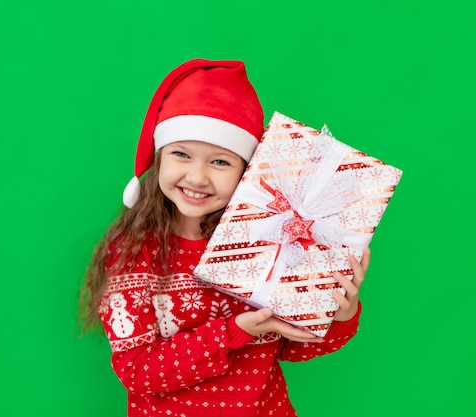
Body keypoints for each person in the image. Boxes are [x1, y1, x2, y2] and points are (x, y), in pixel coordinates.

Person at [80, 58, 370, 417]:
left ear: (246, 171)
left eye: (220, 162)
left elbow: (293, 349)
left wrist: (339, 314)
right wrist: (235, 330)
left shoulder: (268, 239)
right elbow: (139, 371)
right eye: (181, 154)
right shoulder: (134, 252)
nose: (198, 177)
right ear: (160, 157)